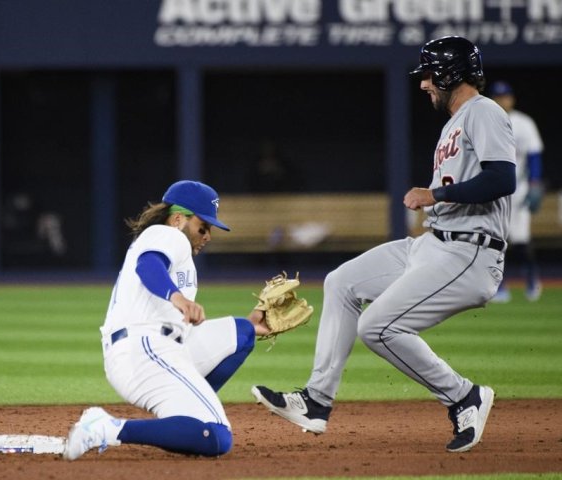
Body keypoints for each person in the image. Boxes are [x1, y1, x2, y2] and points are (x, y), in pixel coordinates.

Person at [251, 36, 516, 453]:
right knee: (341, 283)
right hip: (434, 244)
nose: (424, 84)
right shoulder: (455, 121)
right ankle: (316, 402)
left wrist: (436, 196)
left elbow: (503, 178)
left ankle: (464, 396)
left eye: (429, 75)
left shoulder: (483, 111)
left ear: (449, 72)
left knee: (378, 328)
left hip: (471, 253)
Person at [63, 180, 270, 460]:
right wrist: (178, 298)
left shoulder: (178, 249)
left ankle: (184, 417)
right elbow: (148, 265)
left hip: (165, 346)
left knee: (243, 333)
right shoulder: (166, 234)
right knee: (217, 438)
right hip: (143, 348)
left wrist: (254, 325)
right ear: (177, 219)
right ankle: (106, 429)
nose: (208, 235)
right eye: (203, 227)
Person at [488, 81, 545, 302]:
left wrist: (535, 184)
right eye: (498, 97)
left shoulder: (524, 123)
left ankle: (531, 278)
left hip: (518, 191)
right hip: (493, 192)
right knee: (495, 241)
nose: (502, 101)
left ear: (512, 99)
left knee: (520, 241)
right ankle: (500, 285)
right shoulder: (484, 122)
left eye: (506, 96)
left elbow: (534, 156)